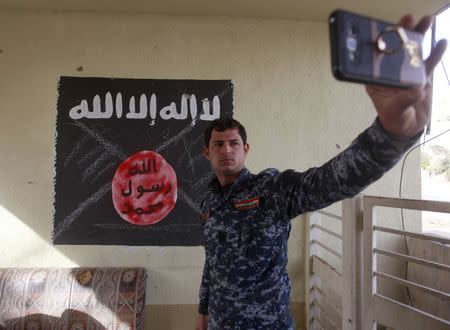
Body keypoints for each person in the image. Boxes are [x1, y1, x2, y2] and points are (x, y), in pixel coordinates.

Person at [195, 14, 447, 330]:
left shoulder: (270, 190)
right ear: (207, 153)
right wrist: (203, 313)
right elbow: (212, 263)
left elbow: (328, 182)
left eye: (234, 143)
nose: (226, 150)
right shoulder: (208, 203)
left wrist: (391, 135)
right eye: (218, 145)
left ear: (246, 149)